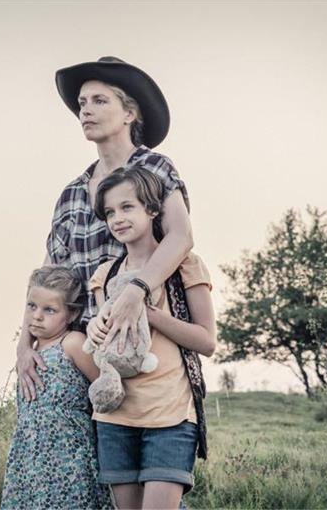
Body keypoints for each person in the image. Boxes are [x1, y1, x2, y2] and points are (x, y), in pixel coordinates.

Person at [16, 56, 195, 406]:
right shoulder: (72, 192)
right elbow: (47, 280)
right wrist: (25, 345)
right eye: (82, 103)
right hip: (82, 348)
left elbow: (181, 237)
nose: (86, 110)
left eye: (100, 101)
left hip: (142, 338)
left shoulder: (155, 168)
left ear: (129, 113)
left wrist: (136, 291)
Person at [87, 166, 217, 509]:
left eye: (127, 207)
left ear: (152, 210)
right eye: (110, 212)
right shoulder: (106, 274)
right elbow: (106, 346)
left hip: (170, 418)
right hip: (115, 418)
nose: (117, 219)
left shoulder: (186, 266)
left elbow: (207, 341)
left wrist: (149, 313)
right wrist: (96, 329)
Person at [1, 266, 114, 510]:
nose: (37, 316)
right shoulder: (28, 355)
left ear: (71, 315)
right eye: (32, 306)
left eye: (49, 310)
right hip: (28, 459)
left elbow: (107, 390)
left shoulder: (72, 343)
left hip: (68, 460)